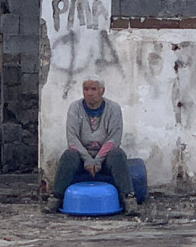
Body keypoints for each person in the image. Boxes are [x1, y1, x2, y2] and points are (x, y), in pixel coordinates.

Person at [46, 77, 137, 215]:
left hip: (105, 156)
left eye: (93, 89)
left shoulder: (113, 108)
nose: (89, 93)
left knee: (118, 154)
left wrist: (98, 160)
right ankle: (56, 198)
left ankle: (128, 199)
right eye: (86, 89)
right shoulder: (75, 108)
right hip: (82, 155)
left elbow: (114, 138)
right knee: (68, 155)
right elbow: (72, 138)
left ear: (102, 91)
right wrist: (88, 159)